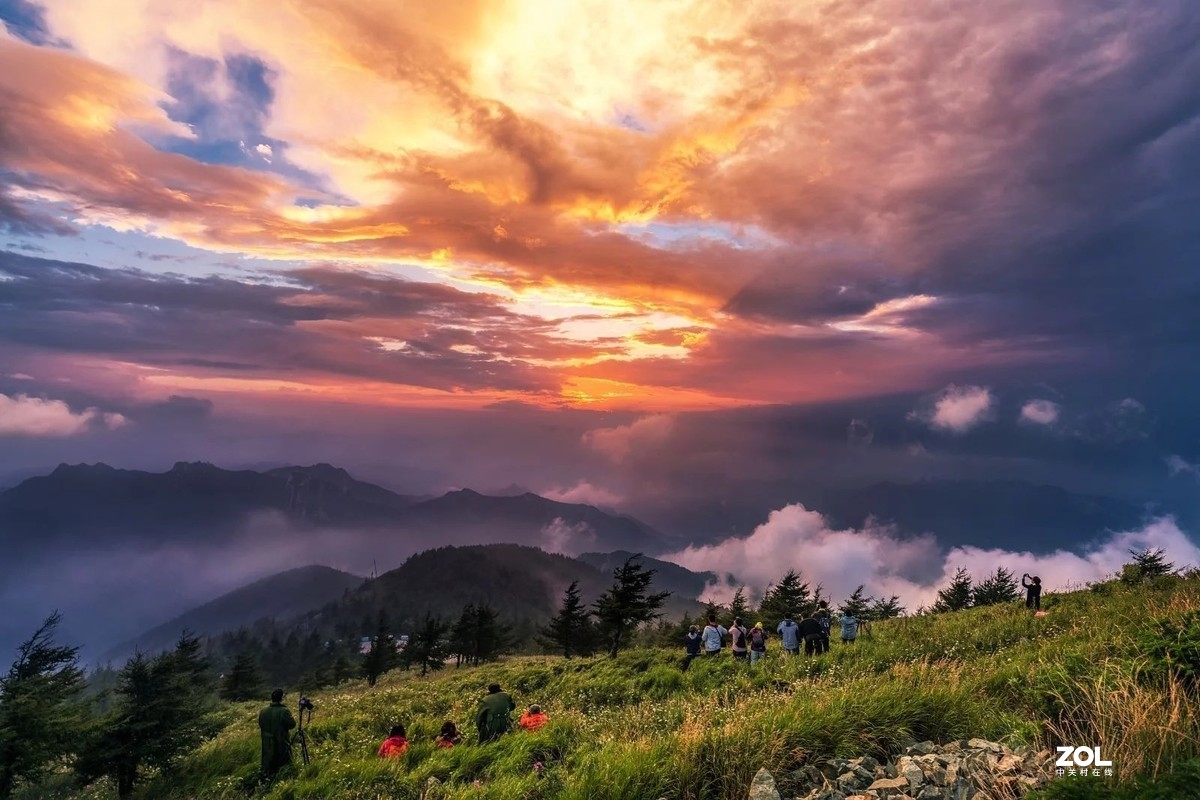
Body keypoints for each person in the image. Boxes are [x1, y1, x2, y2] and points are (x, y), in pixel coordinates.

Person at [258, 688, 296, 780]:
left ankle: (266, 779)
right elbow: (292, 725)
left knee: (268, 763)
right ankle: (284, 779)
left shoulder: (263, 711)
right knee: (283, 762)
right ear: (281, 698)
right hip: (281, 742)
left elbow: (261, 724)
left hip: (266, 743)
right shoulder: (284, 711)